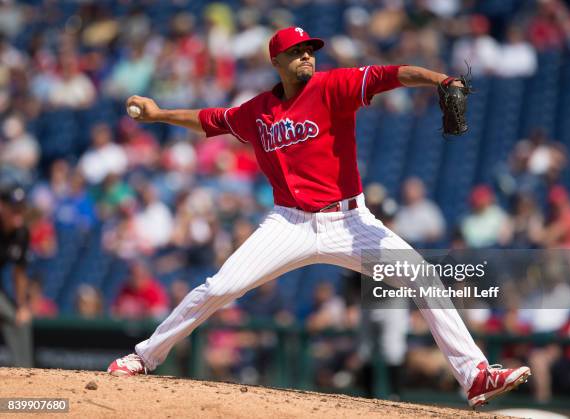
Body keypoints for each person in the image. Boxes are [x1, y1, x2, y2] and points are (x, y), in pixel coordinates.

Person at [107, 27, 530, 408]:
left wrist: (440, 79)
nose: (307, 57)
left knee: (421, 277)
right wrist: (159, 113)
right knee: (219, 286)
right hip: (288, 224)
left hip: (349, 222)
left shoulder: (333, 86)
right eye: (297, 52)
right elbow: (209, 121)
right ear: (277, 62)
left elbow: (392, 74)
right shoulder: (257, 111)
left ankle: (474, 376)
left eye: (310, 49)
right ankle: (143, 357)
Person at [0, 186, 33, 367]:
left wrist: (22, 306)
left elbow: (19, 272)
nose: (18, 213)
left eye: (21, 208)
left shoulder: (21, 233)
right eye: (14, 209)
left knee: (19, 318)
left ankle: (24, 372)